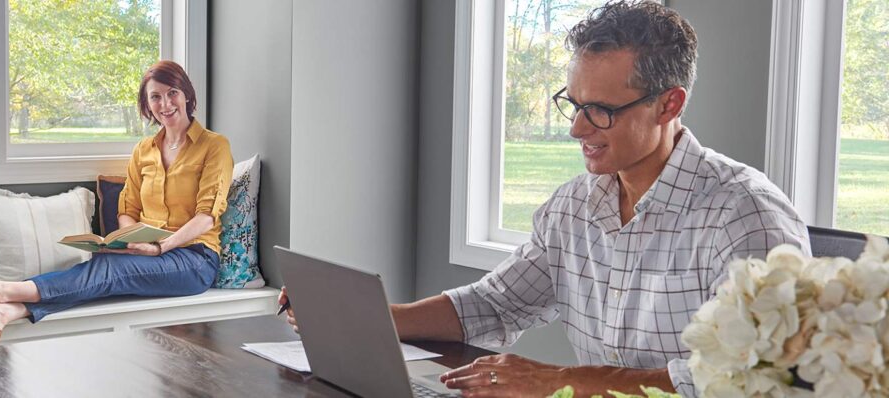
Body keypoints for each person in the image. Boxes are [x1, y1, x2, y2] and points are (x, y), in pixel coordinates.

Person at [280, 2, 808, 397]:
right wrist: (369, 318)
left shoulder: (745, 218)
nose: (578, 128)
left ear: (669, 104)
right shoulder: (574, 206)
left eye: (601, 109)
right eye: (573, 104)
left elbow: (742, 379)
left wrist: (559, 380)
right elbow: (494, 303)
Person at [0, 60, 233, 347]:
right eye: (155, 97)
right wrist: (127, 240)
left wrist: (159, 247)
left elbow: (206, 216)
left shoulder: (214, 146)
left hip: (194, 259)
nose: (165, 103)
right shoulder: (144, 150)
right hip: (148, 251)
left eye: (172, 93)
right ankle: (4, 313)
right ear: (147, 105)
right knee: (101, 267)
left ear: (187, 95)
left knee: (109, 271)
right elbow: (127, 210)